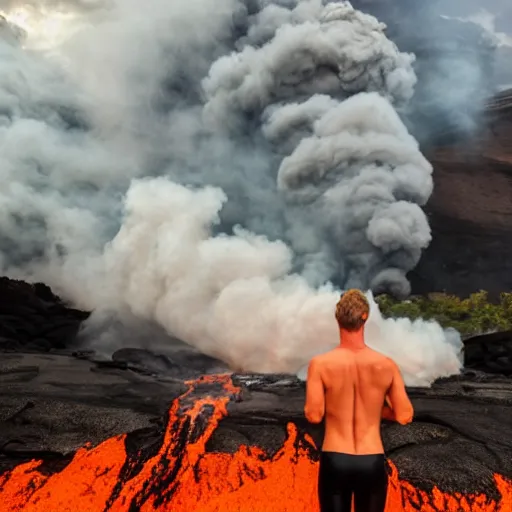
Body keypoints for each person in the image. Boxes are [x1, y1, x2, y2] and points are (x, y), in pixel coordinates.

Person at [304, 289, 414, 512]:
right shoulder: (386, 364)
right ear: (365, 317)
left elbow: (314, 415)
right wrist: (379, 410)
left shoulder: (321, 364)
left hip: (335, 458)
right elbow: (404, 416)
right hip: (370, 458)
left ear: (338, 319)